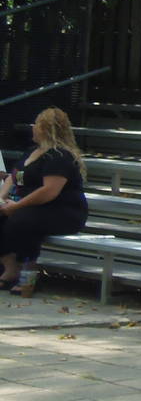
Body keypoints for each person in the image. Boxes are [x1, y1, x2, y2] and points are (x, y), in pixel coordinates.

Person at [0, 108, 89, 297]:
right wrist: (2, 198)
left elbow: (49, 191)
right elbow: (14, 175)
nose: (32, 128)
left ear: (46, 129)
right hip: (30, 206)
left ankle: (28, 275)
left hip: (62, 210)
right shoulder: (32, 152)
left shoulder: (59, 156)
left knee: (23, 221)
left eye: (37, 124)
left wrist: (16, 206)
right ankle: (10, 267)